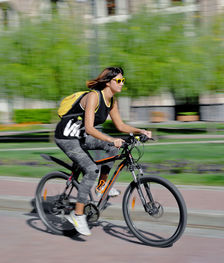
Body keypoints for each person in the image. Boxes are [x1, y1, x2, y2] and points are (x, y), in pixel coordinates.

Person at [54, 67, 152, 236]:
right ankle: (77, 215)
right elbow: (91, 129)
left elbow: (120, 126)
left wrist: (140, 131)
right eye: (119, 81)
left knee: (113, 148)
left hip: (80, 135)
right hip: (66, 137)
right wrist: (111, 139)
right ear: (108, 82)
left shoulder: (112, 101)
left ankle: (101, 186)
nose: (122, 83)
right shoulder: (93, 97)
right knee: (91, 170)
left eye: (123, 80)